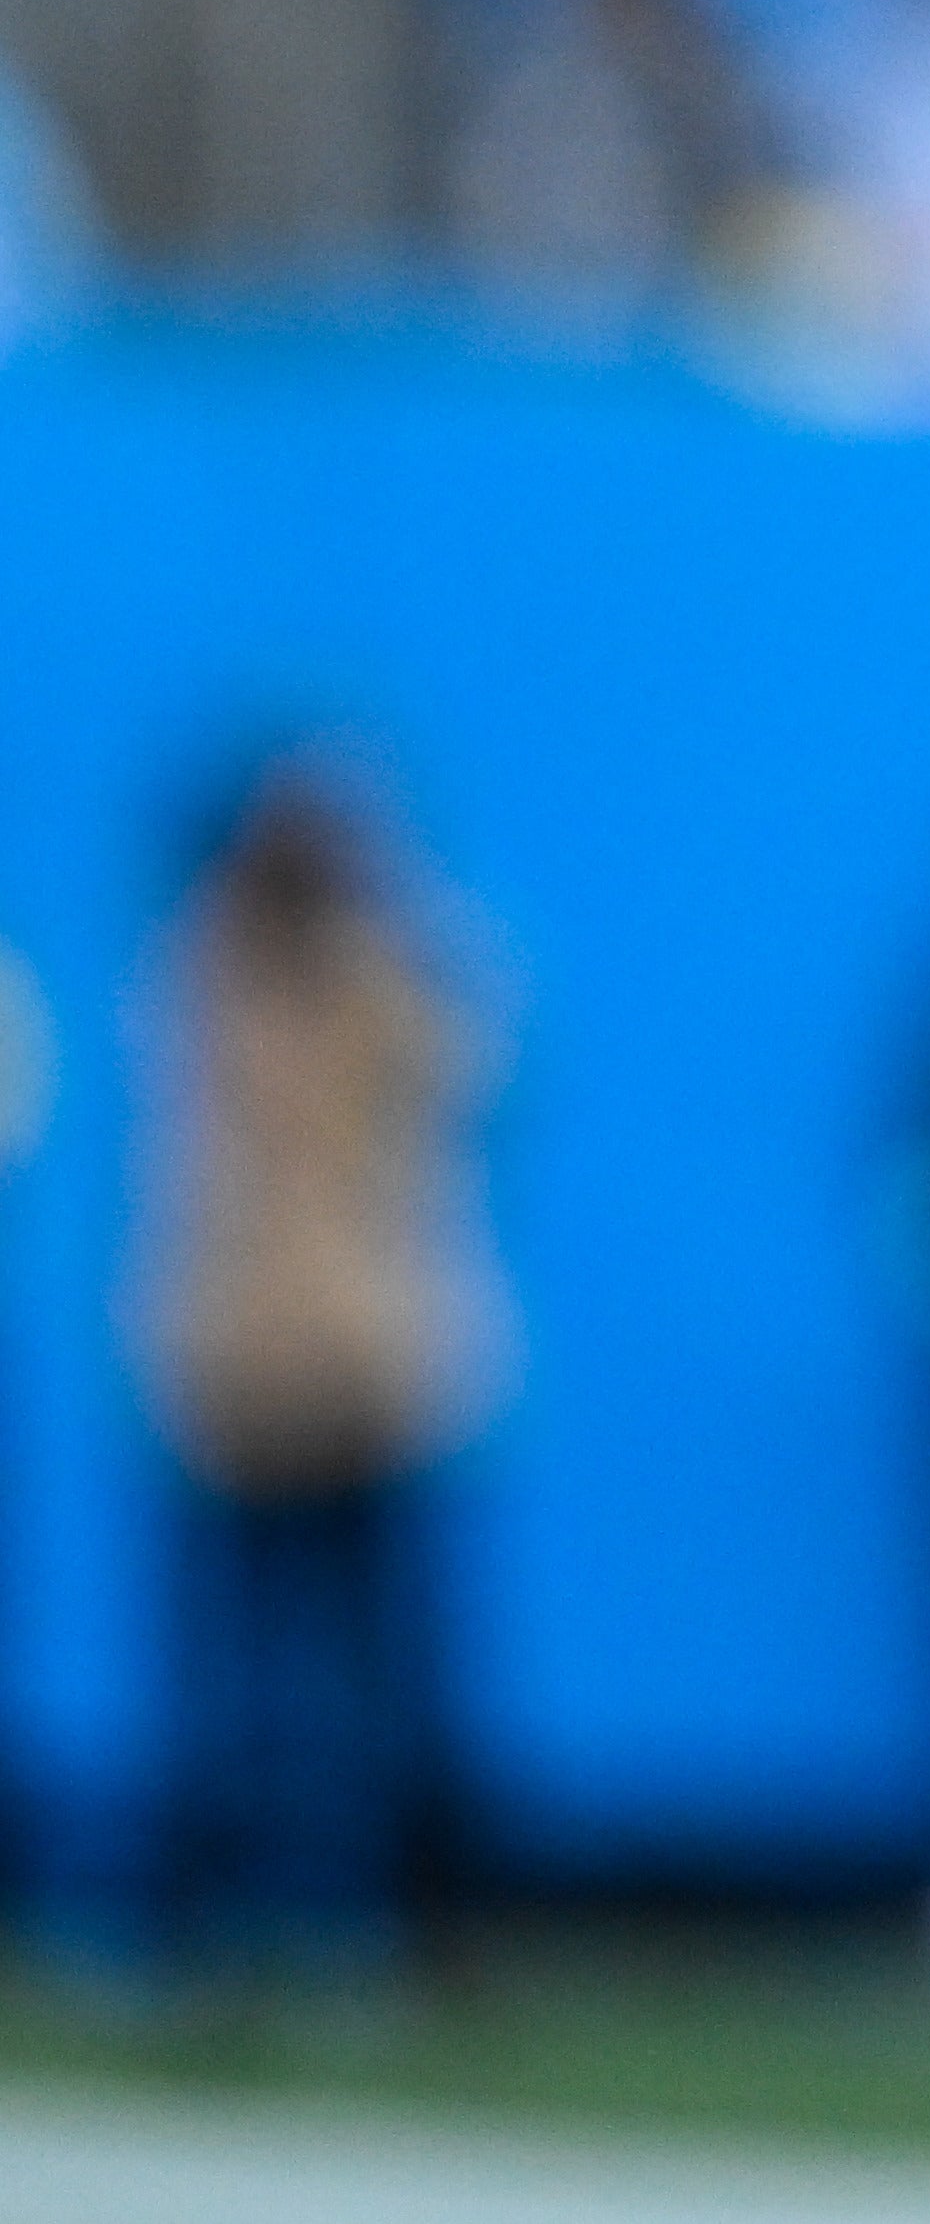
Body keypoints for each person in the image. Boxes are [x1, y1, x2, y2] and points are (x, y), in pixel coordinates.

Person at [129, 753, 507, 1965]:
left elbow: (471, 1067)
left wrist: (394, 930)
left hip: (374, 1366)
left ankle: (431, 1912)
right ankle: (205, 1912)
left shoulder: (396, 971)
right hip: (238, 1365)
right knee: (224, 1676)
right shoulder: (205, 970)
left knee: (396, 1668)